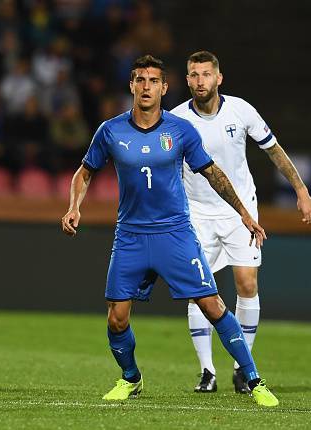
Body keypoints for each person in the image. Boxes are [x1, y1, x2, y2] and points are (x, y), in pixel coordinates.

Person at [61, 54, 279, 407]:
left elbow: (213, 173)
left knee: (212, 304)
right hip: (130, 236)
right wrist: (74, 206)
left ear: (164, 88)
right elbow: (84, 172)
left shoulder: (180, 130)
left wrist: (244, 214)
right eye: (139, 80)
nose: (146, 87)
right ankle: (131, 378)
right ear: (131, 85)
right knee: (117, 318)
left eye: (153, 81)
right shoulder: (110, 131)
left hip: (175, 233)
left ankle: (254, 379)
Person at [170, 51, 311, 394]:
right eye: (193, 75)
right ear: (187, 79)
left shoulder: (241, 110)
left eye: (206, 74)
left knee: (247, 284)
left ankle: (241, 366)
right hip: (196, 213)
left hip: (240, 212)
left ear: (219, 78)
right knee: (199, 292)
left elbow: (273, 149)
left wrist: (300, 189)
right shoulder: (176, 119)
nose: (200, 81)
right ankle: (207, 371)